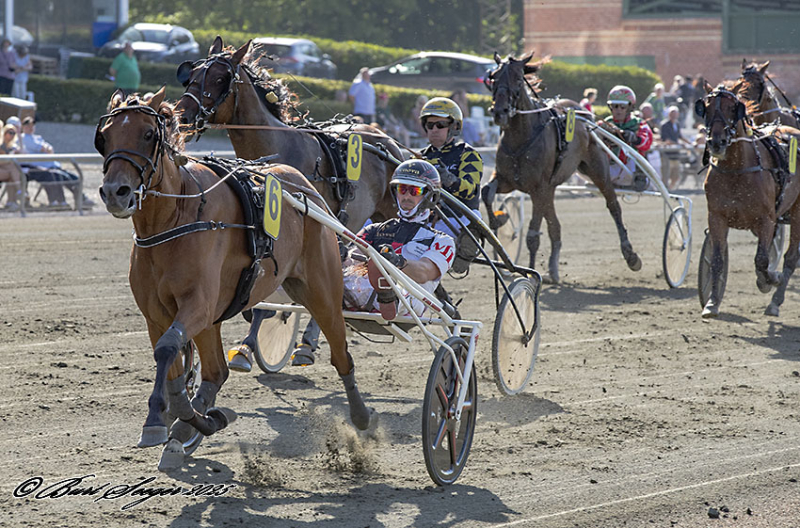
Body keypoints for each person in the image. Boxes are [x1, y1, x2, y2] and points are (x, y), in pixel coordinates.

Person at [227, 159, 455, 371]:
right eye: (401, 189)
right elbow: (350, 263)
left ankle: (386, 292)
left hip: (408, 298)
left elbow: (425, 271)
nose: (405, 196)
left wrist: (397, 263)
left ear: (429, 196)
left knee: (383, 272)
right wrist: (339, 253)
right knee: (309, 272)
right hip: (354, 290)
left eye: (413, 191)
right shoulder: (374, 229)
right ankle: (248, 291)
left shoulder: (441, 240)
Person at [418, 96, 484, 273]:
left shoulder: (468, 154)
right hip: (428, 219)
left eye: (440, 125)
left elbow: (469, 190)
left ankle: (468, 241)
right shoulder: (419, 158)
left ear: (454, 127)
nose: (434, 130)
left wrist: (448, 178)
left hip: (458, 217)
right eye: (430, 125)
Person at [20, 116, 96, 209]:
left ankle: (81, 199)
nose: (30, 127)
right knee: (60, 176)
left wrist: (46, 149)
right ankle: (62, 202)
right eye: (28, 125)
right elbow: (45, 148)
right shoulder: (24, 138)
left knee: (73, 177)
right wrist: (46, 149)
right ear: (23, 127)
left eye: (32, 125)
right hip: (39, 167)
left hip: (51, 166)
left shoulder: (37, 138)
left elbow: (50, 149)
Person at [600, 85, 653, 191]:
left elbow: (647, 141)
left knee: (637, 154)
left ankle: (641, 177)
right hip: (609, 167)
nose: (618, 110)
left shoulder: (639, 124)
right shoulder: (605, 123)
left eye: (622, 107)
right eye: (615, 106)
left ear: (630, 108)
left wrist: (634, 138)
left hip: (630, 170)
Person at [660, 105, 694, 190]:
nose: (674, 116)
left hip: (676, 154)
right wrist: (679, 144)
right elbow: (665, 139)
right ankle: (665, 189)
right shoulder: (664, 125)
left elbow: (680, 136)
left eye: (675, 114)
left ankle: (671, 189)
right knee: (666, 174)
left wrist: (690, 143)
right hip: (667, 155)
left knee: (676, 175)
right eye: (672, 114)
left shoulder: (677, 124)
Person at [0, 123, 23, 211]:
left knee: (11, 174)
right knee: (12, 169)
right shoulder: (1, 145)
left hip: (5, 171)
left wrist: (20, 139)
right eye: (10, 132)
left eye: (14, 133)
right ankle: (20, 191)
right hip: (4, 170)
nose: (12, 135)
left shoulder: (12, 147)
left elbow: (23, 153)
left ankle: (11, 202)